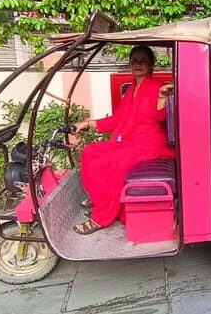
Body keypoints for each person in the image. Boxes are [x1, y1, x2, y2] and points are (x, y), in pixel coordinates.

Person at [72, 46, 175, 234]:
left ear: (151, 64)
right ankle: (100, 197)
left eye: (143, 60)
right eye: (134, 60)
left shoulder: (157, 86)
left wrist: (161, 98)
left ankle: (101, 217)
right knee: (90, 152)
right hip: (131, 141)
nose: (138, 64)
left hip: (149, 144)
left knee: (109, 162)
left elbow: (161, 117)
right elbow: (117, 119)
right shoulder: (132, 88)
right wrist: (87, 123)